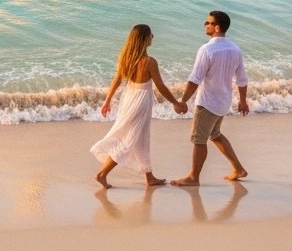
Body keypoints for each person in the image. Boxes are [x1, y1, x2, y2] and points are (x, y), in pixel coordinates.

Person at [91, 24, 188, 188]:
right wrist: (175, 103)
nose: (153, 37)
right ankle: (102, 174)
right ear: (145, 39)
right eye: (151, 35)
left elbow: (117, 80)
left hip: (129, 98)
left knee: (141, 138)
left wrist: (107, 101)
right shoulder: (149, 62)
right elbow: (161, 86)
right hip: (141, 101)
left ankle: (149, 177)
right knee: (128, 139)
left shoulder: (126, 58)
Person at [171, 10, 249, 186]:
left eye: (208, 22)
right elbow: (242, 79)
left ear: (217, 27)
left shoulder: (207, 49)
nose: (205, 25)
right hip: (223, 101)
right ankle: (239, 169)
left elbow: (195, 79)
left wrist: (183, 101)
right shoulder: (235, 49)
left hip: (208, 102)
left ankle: (193, 177)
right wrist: (242, 101)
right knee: (215, 134)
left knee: (199, 140)